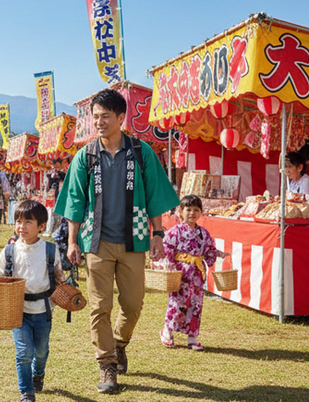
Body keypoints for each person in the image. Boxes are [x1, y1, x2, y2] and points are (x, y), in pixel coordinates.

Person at [53, 88, 180, 394]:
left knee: (133, 304)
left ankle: (119, 343)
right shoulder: (86, 155)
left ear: (121, 118)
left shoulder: (141, 151)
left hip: (134, 239)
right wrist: (72, 241)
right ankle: (107, 364)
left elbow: (154, 195)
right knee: (99, 307)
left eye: (105, 117)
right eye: (95, 117)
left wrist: (158, 234)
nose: (99, 122)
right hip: (96, 242)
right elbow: (74, 200)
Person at [0, 200, 65, 402]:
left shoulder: (50, 250)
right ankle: (26, 391)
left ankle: (38, 373)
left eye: (28, 222)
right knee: (24, 352)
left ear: (41, 226)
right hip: (19, 311)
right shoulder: (9, 251)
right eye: (18, 221)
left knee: (41, 351)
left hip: (43, 310)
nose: (21, 226)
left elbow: (59, 278)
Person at [160, 195, 226, 351]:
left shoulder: (203, 233)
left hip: (196, 275)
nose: (192, 213)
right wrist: (169, 265)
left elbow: (209, 249)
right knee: (176, 303)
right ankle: (167, 330)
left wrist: (217, 254)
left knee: (195, 304)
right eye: (188, 209)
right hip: (179, 274)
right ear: (180, 212)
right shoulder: (174, 232)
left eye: (196, 210)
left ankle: (192, 336)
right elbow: (167, 248)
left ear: (201, 212)